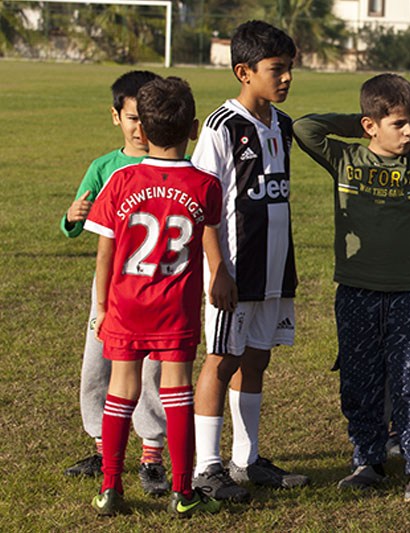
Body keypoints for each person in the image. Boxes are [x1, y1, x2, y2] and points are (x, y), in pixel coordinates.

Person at [293, 74, 410, 503]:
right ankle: (367, 460)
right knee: (360, 380)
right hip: (356, 290)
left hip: (408, 291)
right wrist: (363, 123)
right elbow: (304, 128)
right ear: (370, 126)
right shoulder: (345, 158)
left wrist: (403, 118)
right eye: (399, 124)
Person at [84, 76, 223, 516]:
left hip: (126, 305)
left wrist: (104, 307)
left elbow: (105, 251)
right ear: (195, 127)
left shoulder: (121, 180)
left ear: (141, 127)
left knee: (120, 390)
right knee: (176, 389)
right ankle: (183, 492)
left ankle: (110, 489)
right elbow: (210, 240)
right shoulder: (206, 186)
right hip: (174, 308)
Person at [190, 20, 308, 503]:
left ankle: (247, 459)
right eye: (276, 69)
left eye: (289, 69)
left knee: (256, 359)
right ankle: (205, 466)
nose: (285, 79)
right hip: (233, 272)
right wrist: (217, 268)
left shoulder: (282, 124)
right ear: (244, 71)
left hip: (275, 267)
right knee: (221, 361)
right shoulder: (222, 126)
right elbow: (202, 205)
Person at [60, 70, 170, 495]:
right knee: (98, 365)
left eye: (148, 118)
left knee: (153, 371)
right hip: (108, 288)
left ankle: (151, 455)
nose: (141, 129)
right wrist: (71, 218)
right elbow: (79, 220)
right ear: (115, 117)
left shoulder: (170, 165)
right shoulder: (104, 167)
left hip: (157, 287)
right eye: (131, 118)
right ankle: (105, 446)